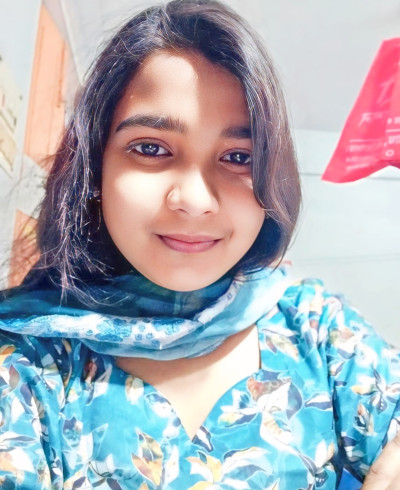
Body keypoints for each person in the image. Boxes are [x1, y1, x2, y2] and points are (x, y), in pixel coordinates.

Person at [0, 1, 399, 488]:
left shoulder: (316, 327)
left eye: (238, 157)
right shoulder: (24, 360)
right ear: (95, 169)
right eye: (151, 148)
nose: (194, 200)